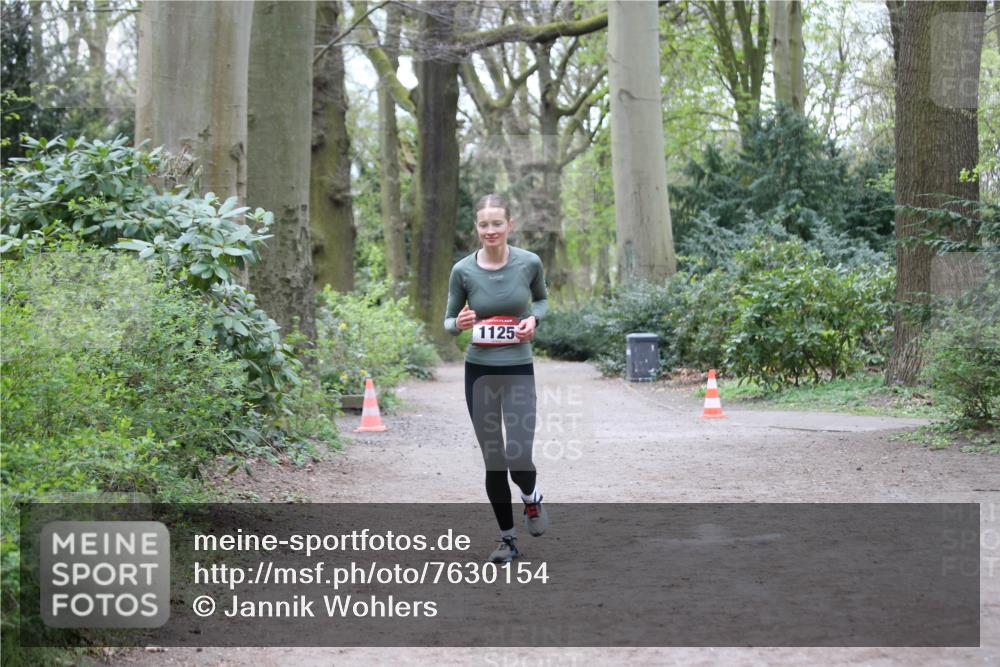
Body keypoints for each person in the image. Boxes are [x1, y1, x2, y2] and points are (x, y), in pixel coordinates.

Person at [443, 194, 550, 563]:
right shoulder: (463, 271)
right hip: (480, 372)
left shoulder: (529, 263)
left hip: (519, 369)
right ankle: (507, 539)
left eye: (497, 223)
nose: (490, 230)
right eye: (483, 224)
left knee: (519, 455)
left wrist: (534, 320)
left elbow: (542, 301)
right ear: (477, 227)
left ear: (510, 225)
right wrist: (457, 324)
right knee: (494, 460)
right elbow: (447, 321)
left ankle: (532, 497)